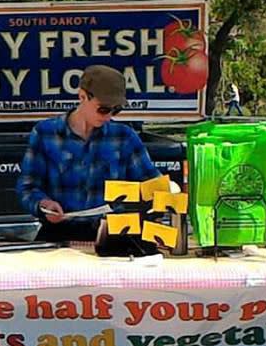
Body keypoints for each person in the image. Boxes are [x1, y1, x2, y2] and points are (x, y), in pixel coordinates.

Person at [17, 65, 160, 241]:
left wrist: (163, 196)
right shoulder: (45, 133)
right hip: (59, 234)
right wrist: (43, 204)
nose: (108, 116)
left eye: (115, 110)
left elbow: (151, 184)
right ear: (82, 96)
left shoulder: (124, 137)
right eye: (103, 109)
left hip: (112, 235)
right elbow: (27, 187)